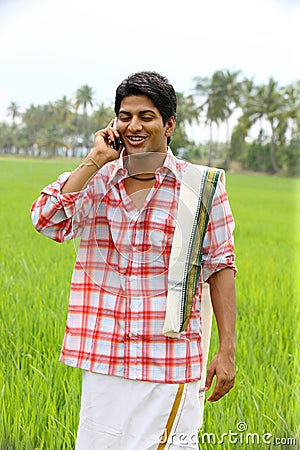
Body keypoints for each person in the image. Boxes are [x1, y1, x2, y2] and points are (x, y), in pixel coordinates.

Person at [31, 71, 237, 450]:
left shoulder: (199, 185)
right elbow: (46, 220)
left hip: (168, 358)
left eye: (147, 116)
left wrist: (227, 350)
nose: (134, 126)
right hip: (103, 355)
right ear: (113, 123)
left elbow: (220, 266)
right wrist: (95, 159)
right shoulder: (97, 179)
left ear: (169, 124)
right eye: (125, 116)